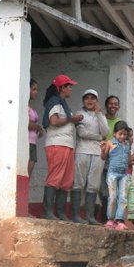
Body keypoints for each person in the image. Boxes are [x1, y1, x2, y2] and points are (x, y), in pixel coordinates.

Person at [41, 74, 84, 221]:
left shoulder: (62, 103)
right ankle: (47, 211)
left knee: (66, 181)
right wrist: (72, 118)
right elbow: (53, 121)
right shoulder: (54, 102)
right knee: (55, 178)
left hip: (67, 145)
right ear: (61, 88)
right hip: (57, 144)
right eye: (69, 86)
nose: (71, 89)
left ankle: (59, 212)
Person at [72, 89, 108, 225]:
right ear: (83, 100)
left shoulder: (101, 115)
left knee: (93, 185)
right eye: (87, 98)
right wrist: (99, 137)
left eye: (93, 98)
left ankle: (90, 217)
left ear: (97, 101)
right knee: (78, 183)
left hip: (97, 152)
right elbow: (82, 133)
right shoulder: (79, 114)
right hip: (82, 150)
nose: (90, 101)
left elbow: (105, 131)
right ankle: (75, 215)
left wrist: (99, 114)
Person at [101, 120, 131, 230]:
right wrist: (102, 149)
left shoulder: (127, 145)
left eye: (125, 134)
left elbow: (128, 159)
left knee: (123, 197)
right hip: (112, 173)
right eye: (120, 134)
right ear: (114, 133)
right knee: (113, 196)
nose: (122, 136)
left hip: (124, 174)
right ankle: (110, 219)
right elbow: (104, 157)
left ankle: (120, 220)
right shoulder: (110, 143)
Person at [98, 95, 121, 223]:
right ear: (106, 106)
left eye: (115, 104)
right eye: (110, 104)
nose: (113, 106)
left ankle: (108, 218)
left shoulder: (120, 122)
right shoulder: (101, 120)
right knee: (100, 187)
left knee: (111, 188)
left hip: (113, 158)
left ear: (119, 106)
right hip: (100, 156)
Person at [24, 78, 43, 217]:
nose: (36, 92)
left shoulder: (30, 107)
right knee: (25, 176)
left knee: (28, 177)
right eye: (34, 89)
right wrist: (37, 126)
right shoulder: (24, 107)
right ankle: (23, 208)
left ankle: (25, 208)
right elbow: (27, 123)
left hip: (33, 143)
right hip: (27, 144)